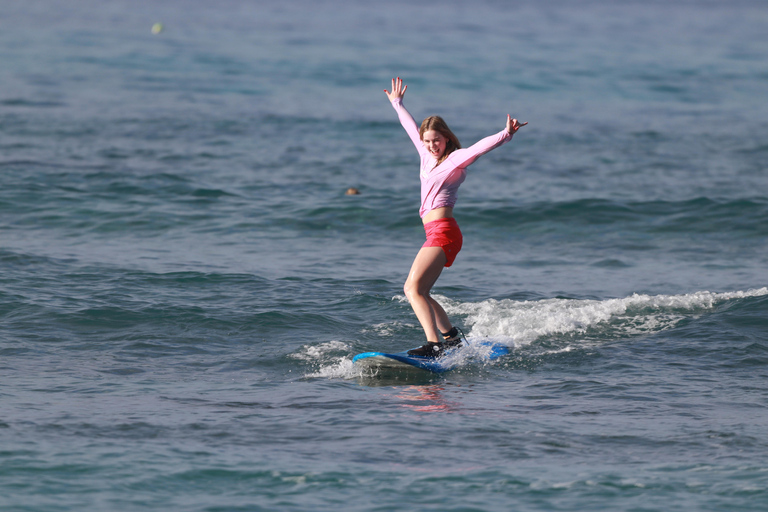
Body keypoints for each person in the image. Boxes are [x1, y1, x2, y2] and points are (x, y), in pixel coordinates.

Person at [384, 77, 527, 357]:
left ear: (446, 138)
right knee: (420, 291)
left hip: (444, 232)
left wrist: (505, 134)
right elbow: (410, 128)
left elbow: (479, 148)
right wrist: (397, 103)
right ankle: (450, 338)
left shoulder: (455, 159)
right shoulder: (426, 156)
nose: (431, 145)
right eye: (428, 141)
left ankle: (435, 345)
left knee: (411, 289)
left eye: (436, 140)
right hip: (435, 232)